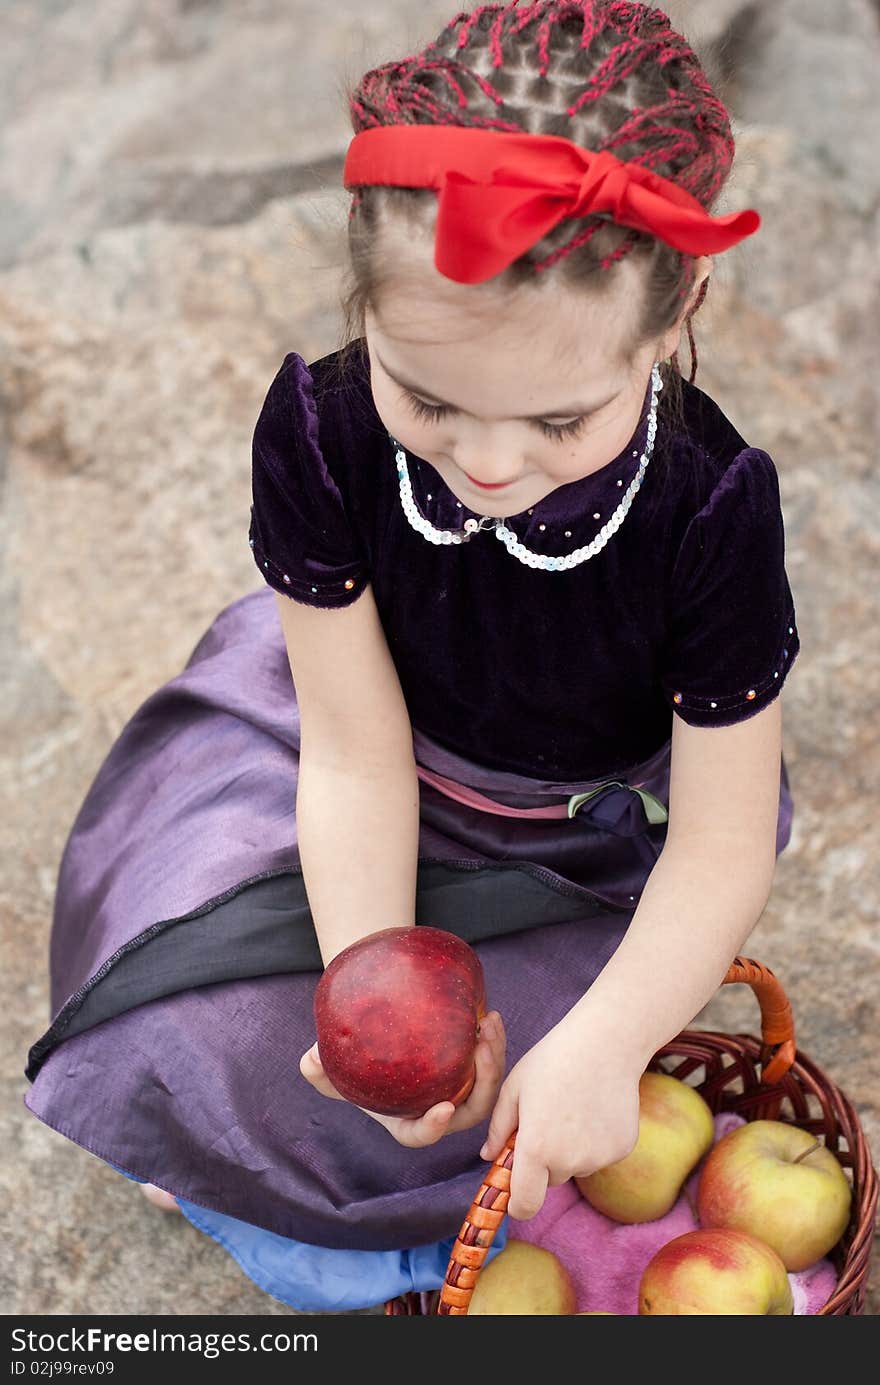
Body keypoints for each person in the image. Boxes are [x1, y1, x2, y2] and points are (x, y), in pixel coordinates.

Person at [24, 0, 800, 1314]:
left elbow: (722, 843)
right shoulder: (323, 434)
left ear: (680, 315)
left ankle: (292, 1196)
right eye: (429, 399)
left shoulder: (709, 509)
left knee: (531, 1101)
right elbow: (352, 751)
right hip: (340, 763)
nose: (490, 467)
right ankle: (250, 1159)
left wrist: (606, 1047)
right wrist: (374, 1000)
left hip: (569, 838)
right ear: (365, 302)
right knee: (184, 1008)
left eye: (560, 418)